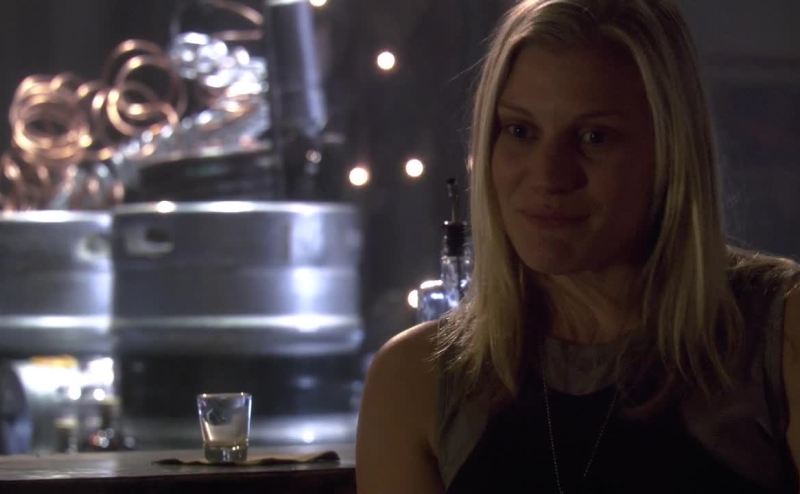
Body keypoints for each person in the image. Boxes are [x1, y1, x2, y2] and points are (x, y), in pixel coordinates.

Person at [355, 0, 800, 492]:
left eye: (594, 137)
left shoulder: (779, 336)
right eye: (520, 131)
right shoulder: (417, 384)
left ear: (670, 152)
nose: (549, 175)